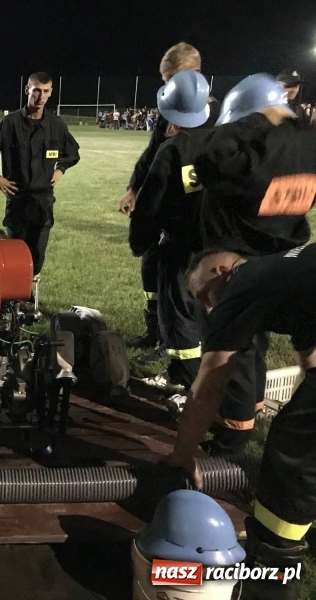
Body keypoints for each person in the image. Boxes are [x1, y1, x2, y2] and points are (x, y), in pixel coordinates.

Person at [166, 244, 316, 600]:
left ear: (219, 271)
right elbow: (313, 361)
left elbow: (208, 387)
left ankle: (271, 569)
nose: (207, 308)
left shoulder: (244, 282)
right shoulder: (286, 274)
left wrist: (183, 455)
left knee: (292, 454)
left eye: (202, 294)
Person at [191, 73, 314, 453]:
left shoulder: (249, 151)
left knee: (235, 353)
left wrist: (255, 119)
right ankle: (284, 416)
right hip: (288, 261)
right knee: (285, 348)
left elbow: (209, 159)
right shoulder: (308, 145)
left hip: (242, 264)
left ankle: (233, 435)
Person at [117, 43, 208, 361]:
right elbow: (151, 154)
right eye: (165, 79)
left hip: (188, 217)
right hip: (159, 209)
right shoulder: (170, 110)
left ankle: (179, 349)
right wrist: (133, 188)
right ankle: (155, 333)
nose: (167, 86)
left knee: (182, 286)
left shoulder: (214, 116)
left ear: (194, 75)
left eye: (172, 78)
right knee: (152, 274)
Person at [128, 70, 212, 404]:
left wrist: (141, 241)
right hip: (214, 245)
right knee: (204, 311)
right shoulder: (220, 142)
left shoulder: (171, 150)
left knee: (179, 313)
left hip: (178, 247)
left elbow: (150, 206)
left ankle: (183, 378)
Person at [0, 71, 80, 277]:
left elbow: (72, 152)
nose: (40, 96)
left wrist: (61, 169)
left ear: (51, 93)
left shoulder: (56, 126)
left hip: (43, 202)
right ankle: (16, 299)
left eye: (46, 91)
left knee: (37, 257)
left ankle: (30, 298)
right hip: (18, 202)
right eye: (36, 90)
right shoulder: (9, 124)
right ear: (27, 90)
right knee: (15, 255)